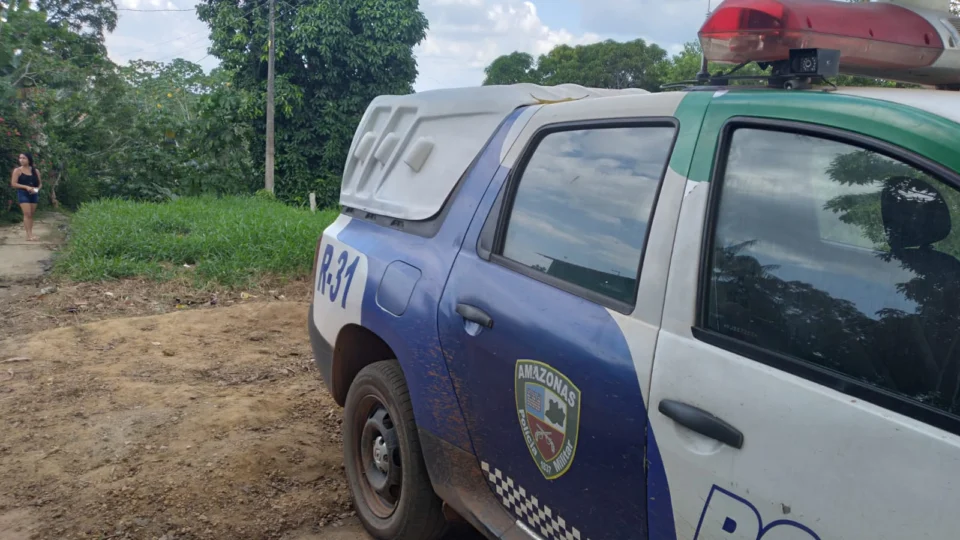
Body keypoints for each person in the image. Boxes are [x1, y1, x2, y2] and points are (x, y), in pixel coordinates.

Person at [10, 152, 41, 241]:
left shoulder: (35, 171)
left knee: (31, 214)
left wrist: (36, 189)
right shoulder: (17, 170)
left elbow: (40, 183)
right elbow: (13, 184)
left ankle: (31, 233)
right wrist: (26, 187)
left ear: (29, 159)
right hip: (23, 193)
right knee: (27, 213)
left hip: (33, 193)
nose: (21, 160)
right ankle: (28, 235)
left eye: (24, 158)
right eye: (20, 158)